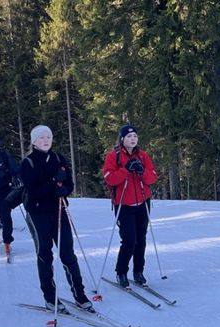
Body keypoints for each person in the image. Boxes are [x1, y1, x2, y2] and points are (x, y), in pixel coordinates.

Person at [20, 125, 92, 311]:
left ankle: (80, 295)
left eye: (49, 137)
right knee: (45, 254)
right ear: (34, 141)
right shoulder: (28, 163)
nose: (46, 140)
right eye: (42, 137)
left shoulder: (59, 158)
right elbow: (33, 191)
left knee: (67, 253)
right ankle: (50, 297)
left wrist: (64, 190)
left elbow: (69, 184)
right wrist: (53, 182)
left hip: (59, 209)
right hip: (37, 213)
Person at [102, 124, 158, 288]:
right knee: (129, 241)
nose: (132, 139)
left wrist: (142, 171)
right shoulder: (114, 156)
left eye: (135, 136)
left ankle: (138, 271)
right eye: (129, 136)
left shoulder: (142, 155)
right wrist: (125, 169)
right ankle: (121, 272)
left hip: (143, 202)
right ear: (122, 139)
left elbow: (152, 177)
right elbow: (110, 178)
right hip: (124, 204)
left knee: (141, 240)